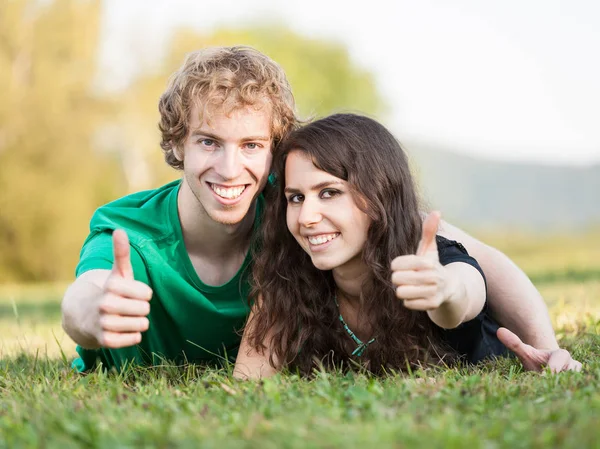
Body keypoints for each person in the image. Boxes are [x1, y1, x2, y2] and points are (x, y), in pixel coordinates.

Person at [61, 46, 579, 373]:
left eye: (251, 145)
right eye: (207, 142)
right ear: (178, 145)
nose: (229, 167)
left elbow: (477, 261)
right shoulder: (128, 231)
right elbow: (83, 297)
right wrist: (93, 312)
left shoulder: (296, 215)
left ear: (275, 153)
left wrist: (547, 348)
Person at [233, 114, 580, 378]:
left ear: (377, 194)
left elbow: (464, 292)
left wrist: (443, 290)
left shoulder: (436, 258)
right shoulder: (291, 274)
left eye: (329, 193)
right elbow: (248, 382)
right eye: (296, 197)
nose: (307, 216)